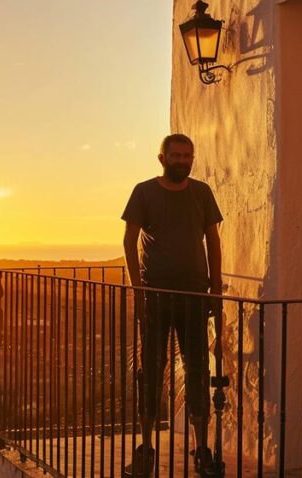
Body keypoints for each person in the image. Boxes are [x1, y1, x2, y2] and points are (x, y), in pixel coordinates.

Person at [121, 133, 223, 478]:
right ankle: (146, 447)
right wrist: (138, 290)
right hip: (156, 297)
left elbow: (213, 238)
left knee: (197, 369)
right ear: (162, 158)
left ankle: (202, 447)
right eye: (176, 155)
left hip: (195, 296)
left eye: (187, 156)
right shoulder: (143, 191)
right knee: (151, 370)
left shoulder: (202, 193)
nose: (182, 160)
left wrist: (216, 286)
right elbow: (128, 241)